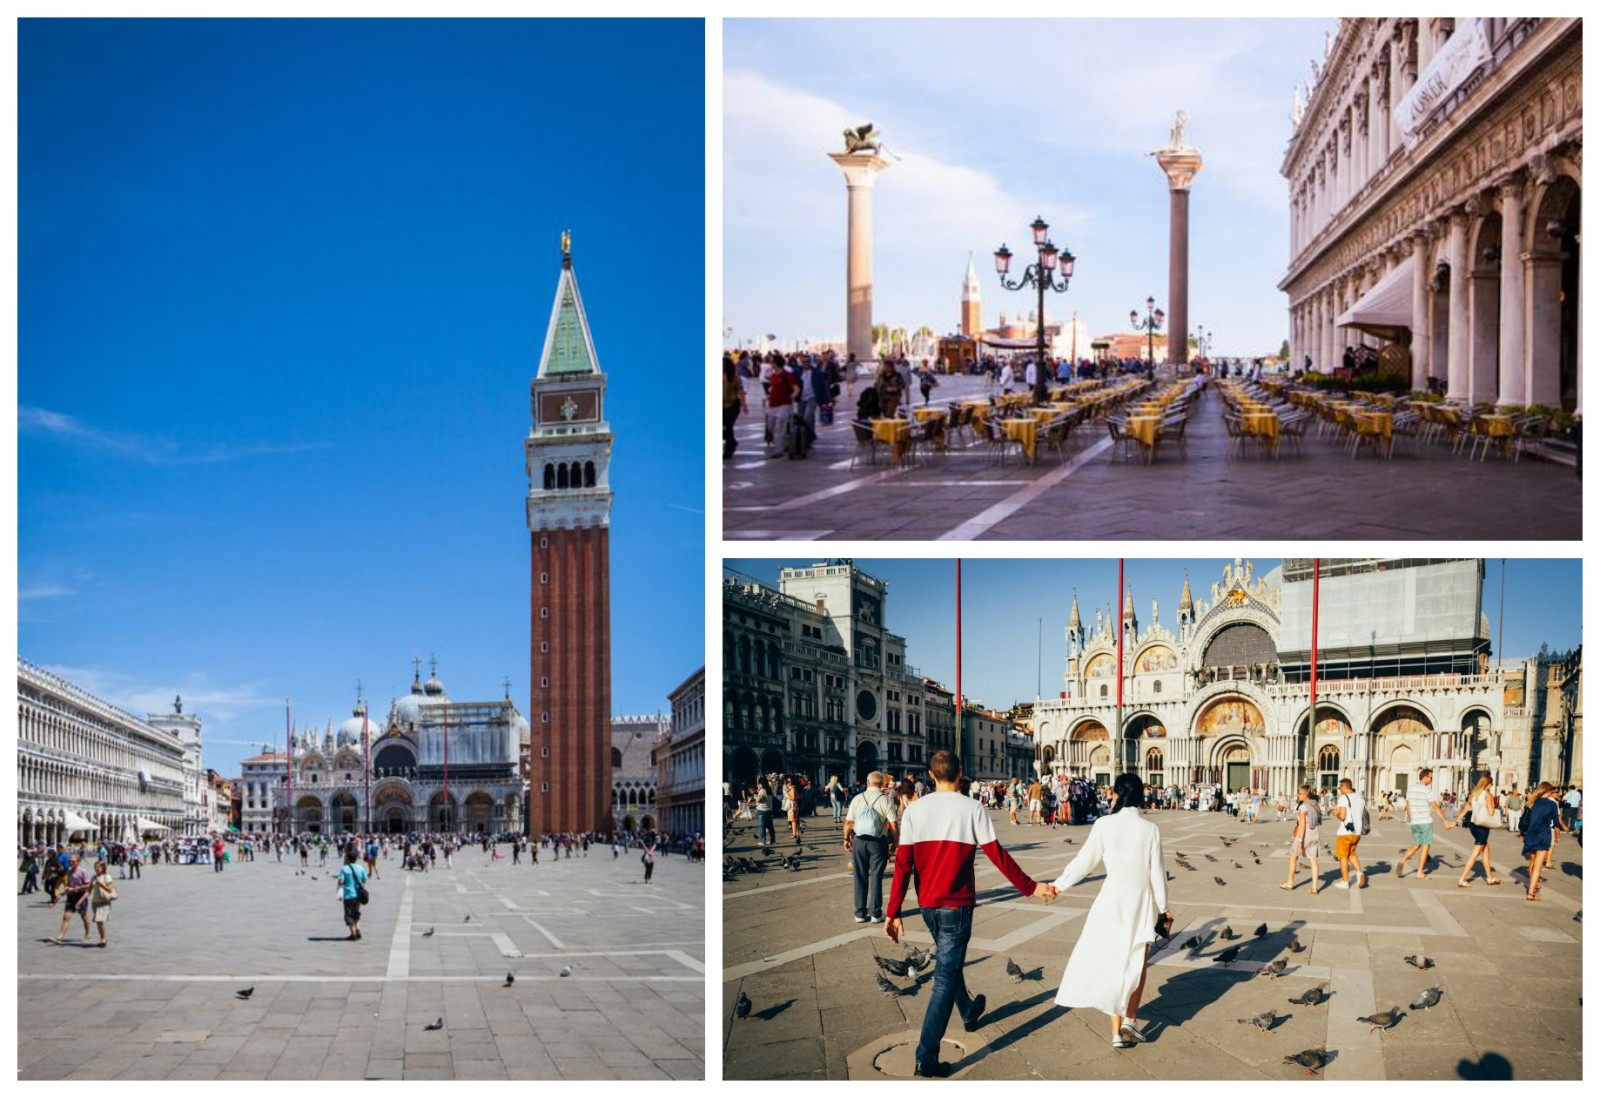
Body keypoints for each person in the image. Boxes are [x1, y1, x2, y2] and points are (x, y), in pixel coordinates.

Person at [885, 750, 1057, 1078]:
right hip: (957, 906)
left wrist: (893, 912)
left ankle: (968, 1011)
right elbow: (997, 855)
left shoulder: (914, 810)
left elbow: (903, 864)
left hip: (927, 905)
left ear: (931, 776)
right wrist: (1030, 887)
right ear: (960, 774)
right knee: (945, 976)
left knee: (950, 965)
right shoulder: (972, 807)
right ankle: (926, 1057)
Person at [1051, 773, 1170, 1048]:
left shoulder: (1104, 824)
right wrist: (1164, 909)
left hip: (1110, 901)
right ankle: (1130, 1018)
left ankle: (1117, 1033)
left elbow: (1085, 861)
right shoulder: (1150, 829)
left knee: (1115, 962)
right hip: (1138, 902)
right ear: (1141, 796)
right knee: (1136, 961)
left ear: (1115, 793)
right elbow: (1157, 875)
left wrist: (1058, 886)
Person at [844, 771, 900, 924]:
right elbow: (894, 824)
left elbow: (848, 823)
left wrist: (846, 839)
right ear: (881, 784)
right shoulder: (886, 800)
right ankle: (875, 914)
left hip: (859, 841)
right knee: (876, 877)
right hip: (878, 842)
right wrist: (896, 842)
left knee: (860, 876)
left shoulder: (857, 798)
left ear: (867, 782)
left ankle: (860, 914)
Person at [1395, 767, 1455, 879]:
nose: (1431, 780)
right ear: (1425, 777)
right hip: (1425, 822)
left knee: (1415, 845)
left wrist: (1412, 819)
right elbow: (1436, 807)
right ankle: (1420, 873)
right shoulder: (1427, 790)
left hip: (1415, 822)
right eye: (1431, 778)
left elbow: (1408, 806)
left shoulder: (1411, 789)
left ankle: (1403, 861)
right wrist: (1445, 821)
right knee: (1425, 847)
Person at [1452, 775, 1504, 888]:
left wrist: (1456, 821)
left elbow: (1465, 809)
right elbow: (1490, 812)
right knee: (1475, 854)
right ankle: (1462, 879)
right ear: (1488, 784)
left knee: (1486, 850)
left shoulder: (1474, 793)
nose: (1492, 786)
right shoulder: (1487, 794)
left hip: (1473, 824)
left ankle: (1490, 877)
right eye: (1491, 783)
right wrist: (1495, 807)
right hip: (1482, 826)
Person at [1280, 784, 1323, 893]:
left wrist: (1300, 843)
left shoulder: (1303, 807)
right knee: (1313, 860)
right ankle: (1314, 888)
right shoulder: (1315, 804)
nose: (1298, 795)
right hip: (1315, 834)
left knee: (1293, 857)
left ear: (1305, 794)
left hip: (1303, 834)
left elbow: (1302, 825)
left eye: (1299, 793)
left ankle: (1290, 883)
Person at [1521, 782, 1559, 900]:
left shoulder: (1531, 802)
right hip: (1543, 835)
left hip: (1531, 835)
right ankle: (1531, 893)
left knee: (1532, 862)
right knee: (1538, 866)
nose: (1552, 794)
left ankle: (1534, 884)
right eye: (1552, 792)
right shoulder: (1552, 804)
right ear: (1547, 791)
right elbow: (1556, 823)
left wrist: (1523, 834)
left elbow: (1524, 820)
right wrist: (1558, 836)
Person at [1331, 777, 1366, 889]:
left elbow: (1342, 816)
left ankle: (1345, 882)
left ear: (1344, 787)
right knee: (1351, 854)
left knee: (1343, 857)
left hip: (1345, 832)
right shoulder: (1360, 798)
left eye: (1340, 787)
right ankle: (1359, 873)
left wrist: (1335, 812)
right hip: (1357, 832)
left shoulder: (1343, 798)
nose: (1339, 789)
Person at [52, 853, 93, 943]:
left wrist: (75, 888)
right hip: (71, 896)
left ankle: (87, 933)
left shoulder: (83, 871)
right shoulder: (69, 872)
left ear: (78, 862)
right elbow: (69, 885)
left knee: (83, 916)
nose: (70, 863)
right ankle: (60, 937)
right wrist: (62, 892)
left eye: (73, 861)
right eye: (70, 861)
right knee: (66, 916)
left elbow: (88, 886)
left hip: (81, 896)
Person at [338, 847, 369, 940]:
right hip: (358, 896)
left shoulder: (344, 869)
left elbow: (340, 882)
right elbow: (364, 880)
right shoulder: (361, 868)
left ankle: (353, 935)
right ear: (356, 858)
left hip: (348, 895)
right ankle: (358, 930)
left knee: (349, 915)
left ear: (347, 858)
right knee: (356, 914)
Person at [722, 352, 748, 460]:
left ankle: (729, 449)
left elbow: (740, 392)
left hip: (733, 405)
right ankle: (732, 442)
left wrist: (744, 405)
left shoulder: (735, 378)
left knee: (728, 427)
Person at [88, 859, 116, 948]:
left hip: (103, 902)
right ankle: (103, 938)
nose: (96, 868)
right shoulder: (93, 877)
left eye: (98, 867)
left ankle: (103, 939)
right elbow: (88, 890)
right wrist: (80, 900)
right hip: (95, 902)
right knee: (98, 922)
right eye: (95, 867)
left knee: (99, 921)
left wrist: (100, 884)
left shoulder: (107, 877)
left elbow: (110, 889)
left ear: (103, 867)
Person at [752, 780, 777, 847]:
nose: (758, 785)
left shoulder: (762, 790)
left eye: (759, 784)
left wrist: (755, 795)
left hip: (762, 810)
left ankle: (763, 841)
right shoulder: (769, 790)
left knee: (762, 827)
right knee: (770, 827)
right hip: (769, 810)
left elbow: (758, 800)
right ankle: (773, 840)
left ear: (761, 784)